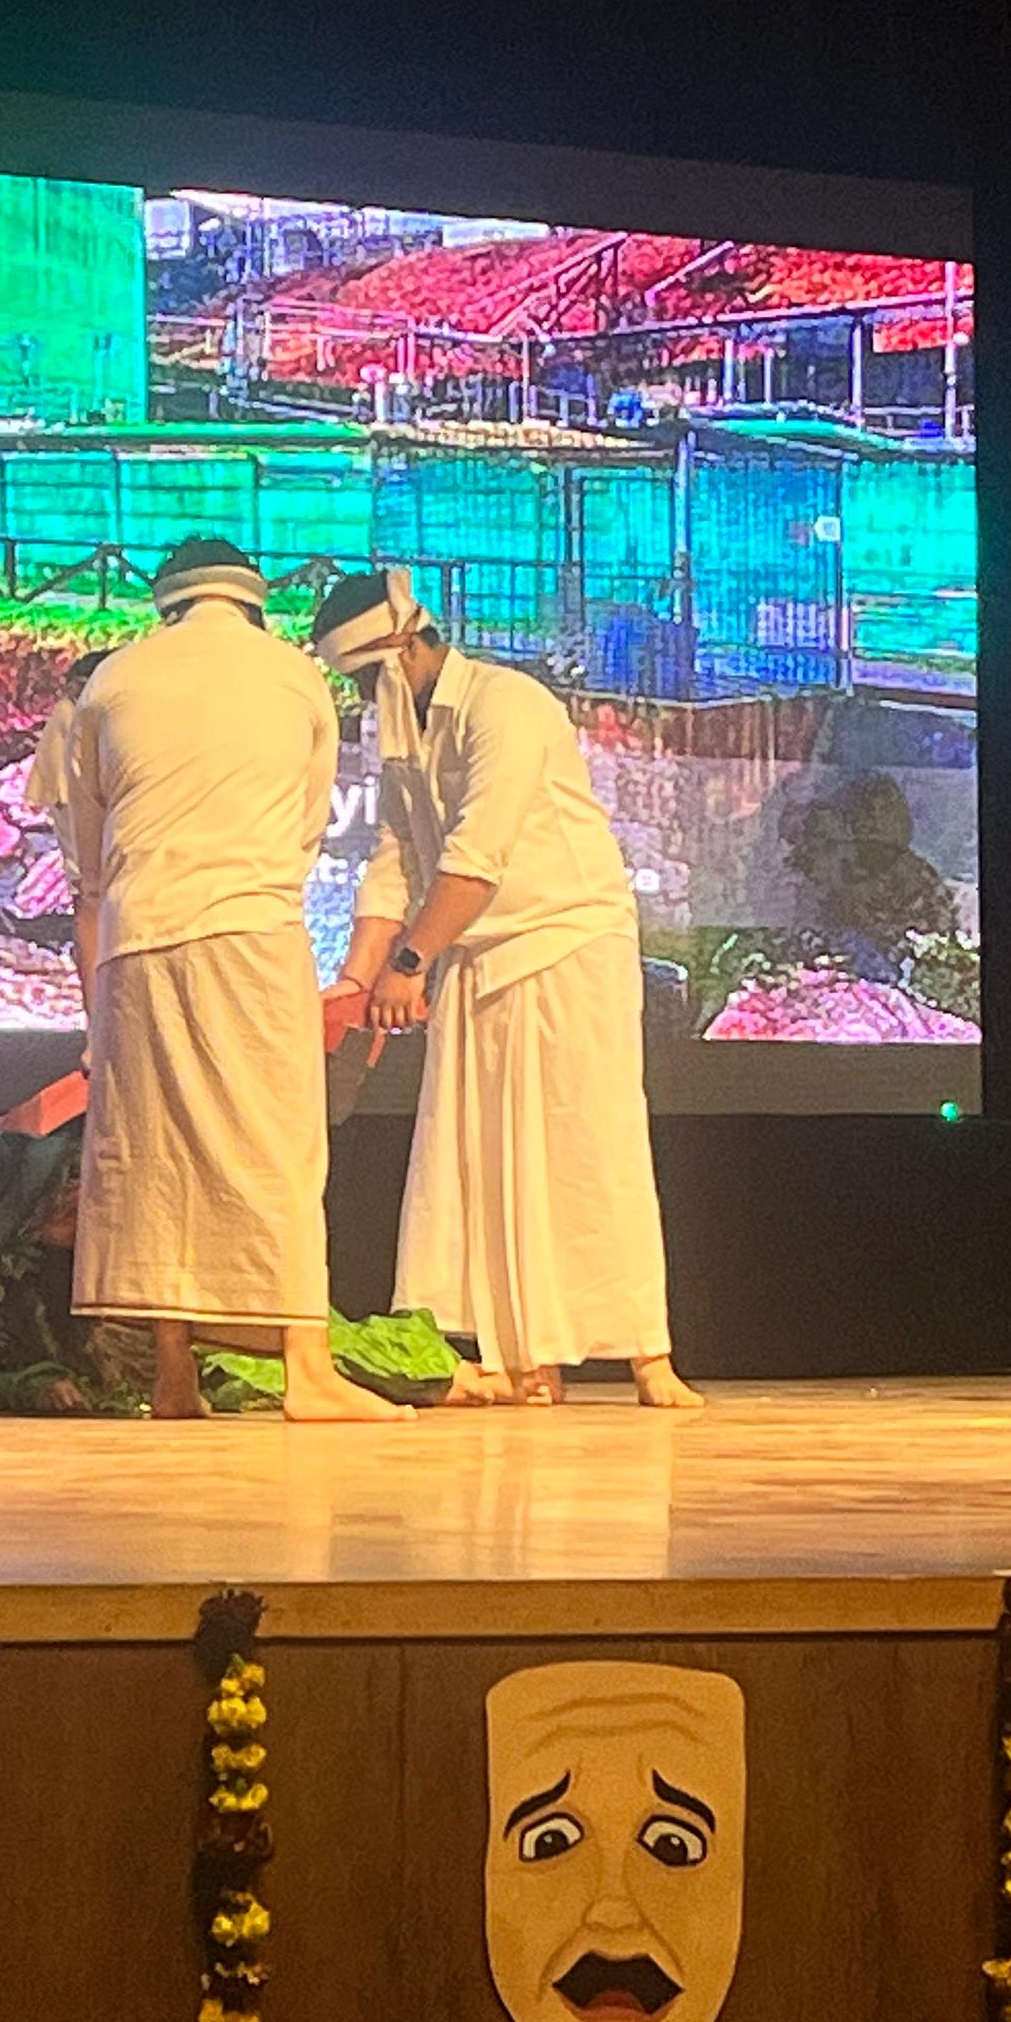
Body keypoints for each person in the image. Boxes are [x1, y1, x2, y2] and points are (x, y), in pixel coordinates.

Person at [309, 569, 702, 1408]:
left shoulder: (507, 705)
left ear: (400, 648)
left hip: (565, 938)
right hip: (475, 949)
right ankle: (527, 1356)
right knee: (484, 1158)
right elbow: (396, 854)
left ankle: (647, 1353)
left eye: (363, 676)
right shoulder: (398, 724)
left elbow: (475, 857)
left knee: (587, 1147)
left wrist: (408, 965)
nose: (362, 696)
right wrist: (355, 977)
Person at [62, 540, 396, 1422]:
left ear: (167, 602)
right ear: (252, 602)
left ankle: (173, 1375)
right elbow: (306, 827)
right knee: (277, 1142)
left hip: (138, 934)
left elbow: (90, 848)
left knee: (158, 1155)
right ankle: (307, 1370)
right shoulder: (296, 677)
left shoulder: (113, 679)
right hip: (249, 925)